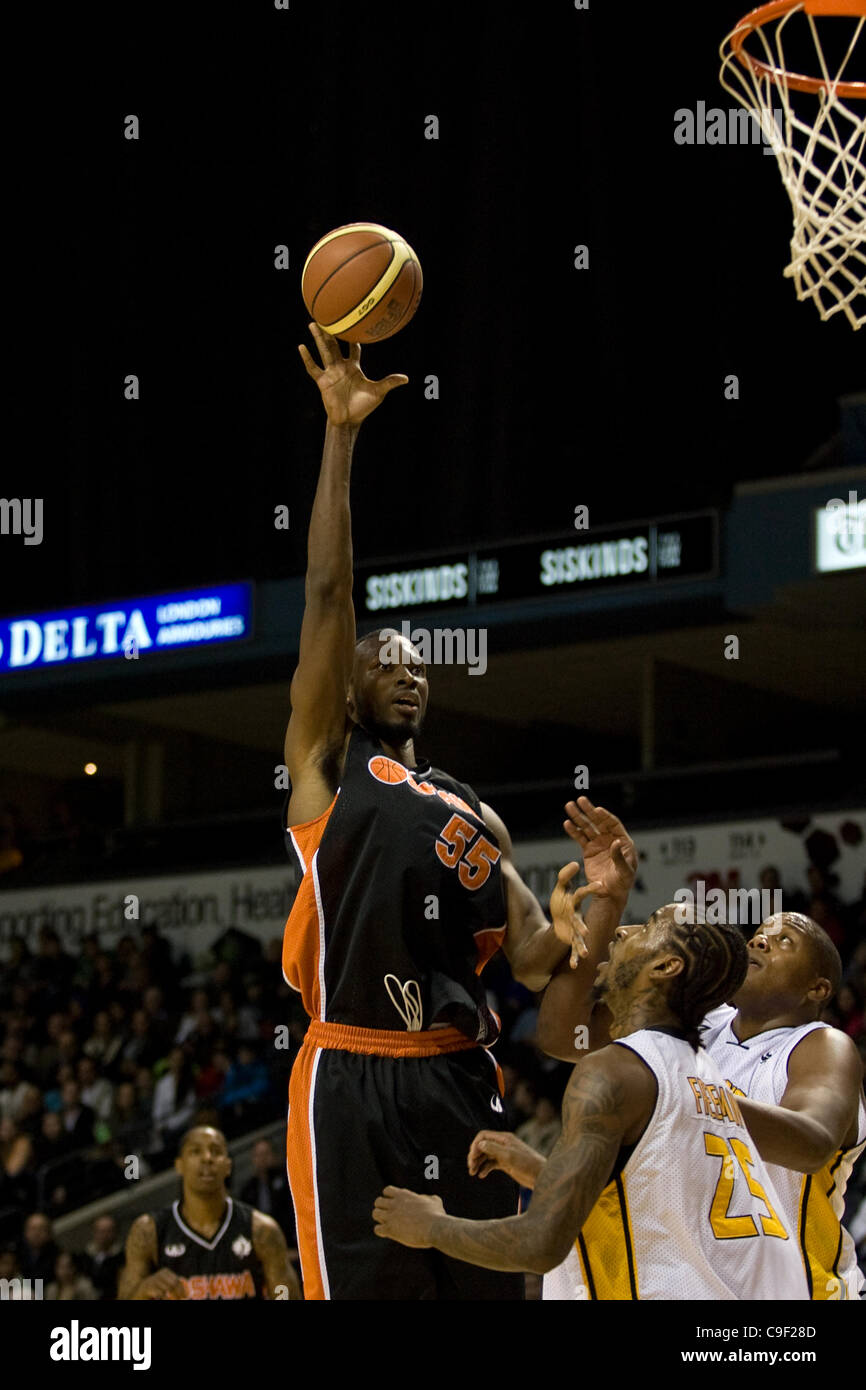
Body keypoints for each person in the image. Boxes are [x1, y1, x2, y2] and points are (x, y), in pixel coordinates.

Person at [282, 324, 625, 1299]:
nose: (405, 667)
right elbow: (323, 589)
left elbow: (527, 959)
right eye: (382, 655)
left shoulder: (473, 812)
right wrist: (341, 435)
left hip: (457, 1074)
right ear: (346, 679)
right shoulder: (325, 759)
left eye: (417, 659)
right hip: (348, 1070)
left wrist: (591, 909)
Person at [373, 907, 809, 1301]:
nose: (623, 930)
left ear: (665, 966)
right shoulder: (705, 1075)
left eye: (651, 925)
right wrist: (544, 1171)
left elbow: (540, 1244)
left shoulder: (615, 1071)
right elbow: (653, 1209)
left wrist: (430, 1225)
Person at [535, 806, 866, 1301]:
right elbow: (566, 1036)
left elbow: (813, 1143)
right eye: (760, 933)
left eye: (784, 940)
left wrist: (685, 1095)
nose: (762, 938)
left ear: (817, 988)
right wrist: (610, 897)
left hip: (801, 1294)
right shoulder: (693, 1026)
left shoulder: (820, 1045)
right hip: (704, 1287)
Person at [118, 1125, 299, 1300]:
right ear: (179, 1165)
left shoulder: (262, 1230)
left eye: (216, 1151)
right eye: (195, 1151)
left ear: (228, 1166)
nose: (207, 1158)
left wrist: (281, 1293)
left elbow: (285, 1294)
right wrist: (143, 1290)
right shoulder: (148, 1231)